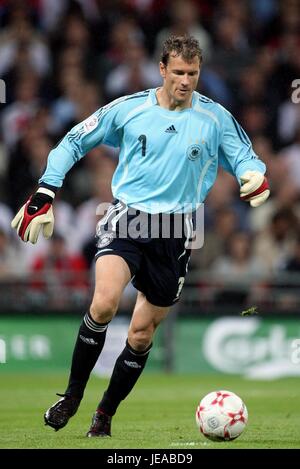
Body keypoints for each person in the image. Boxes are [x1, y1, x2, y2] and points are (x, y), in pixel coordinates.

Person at [11, 35, 270, 438]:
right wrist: (46, 190)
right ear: (162, 69)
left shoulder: (214, 117)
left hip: (177, 231)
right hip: (128, 219)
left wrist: (253, 174)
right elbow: (77, 139)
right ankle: (72, 397)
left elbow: (244, 156)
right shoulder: (129, 109)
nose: (186, 81)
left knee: (141, 333)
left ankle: (104, 414)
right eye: (179, 72)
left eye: (194, 73)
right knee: (104, 303)